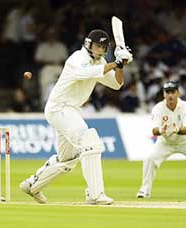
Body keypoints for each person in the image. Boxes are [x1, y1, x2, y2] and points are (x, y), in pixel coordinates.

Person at [20, 29, 133, 205]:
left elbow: (117, 84)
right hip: (60, 108)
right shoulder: (76, 59)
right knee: (90, 140)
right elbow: (89, 73)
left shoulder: (101, 62)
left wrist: (120, 65)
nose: (100, 50)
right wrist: (116, 61)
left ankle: (31, 186)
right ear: (88, 45)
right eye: (98, 46)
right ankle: (95, 195)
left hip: (70, 110)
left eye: (104, 47)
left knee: (68, 159)